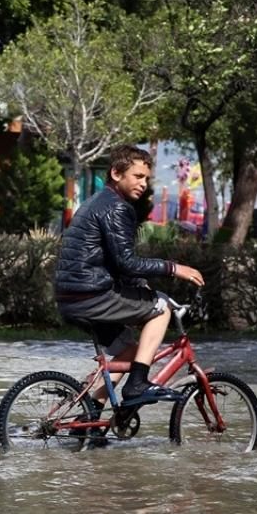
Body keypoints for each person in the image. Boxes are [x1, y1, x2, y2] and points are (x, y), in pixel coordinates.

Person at [55, 145, 205, 409]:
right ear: (116, 173)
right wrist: (174, 268)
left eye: (146, 178)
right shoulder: (117, 207)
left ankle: (90, 417)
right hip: (92, 295)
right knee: (161, 308)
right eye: (137, 176)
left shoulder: (97, 201)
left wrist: (137, 284)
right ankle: (137, 385)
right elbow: (126, 261)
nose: (144, 184)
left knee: (129, 352)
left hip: (72, 296)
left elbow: (113, 261)